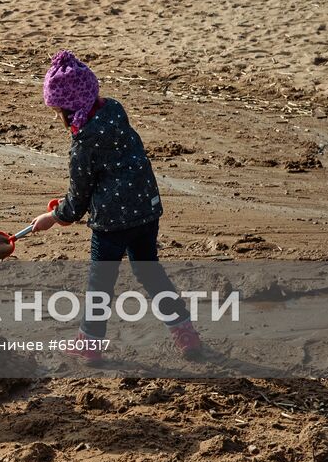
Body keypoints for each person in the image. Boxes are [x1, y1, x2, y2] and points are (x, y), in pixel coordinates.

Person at [28, 52, 203, 364]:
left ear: (71, 109)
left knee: (100, 283)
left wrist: (54, 217)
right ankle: (184, 332)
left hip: (112, 223)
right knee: (149, 271)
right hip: (146, 210)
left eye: (59, 112)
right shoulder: (115, 111)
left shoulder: (83, 145)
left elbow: (78, 198)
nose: (58, 118)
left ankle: (89, 343)